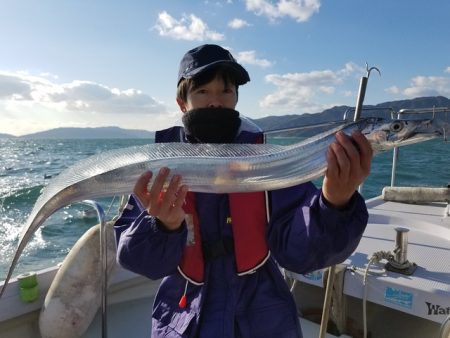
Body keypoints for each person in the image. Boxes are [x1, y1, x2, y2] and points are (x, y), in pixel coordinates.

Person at [114, 44, 373, 338]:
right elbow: (137, 260)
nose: (216, 102)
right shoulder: (160, 168)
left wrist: (335, 202)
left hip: (263, 314)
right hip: (184, 314)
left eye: (226, 92)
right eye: (202, 92)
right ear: (181, 102)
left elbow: (302, 255)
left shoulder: (267, 162)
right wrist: (161, 225)